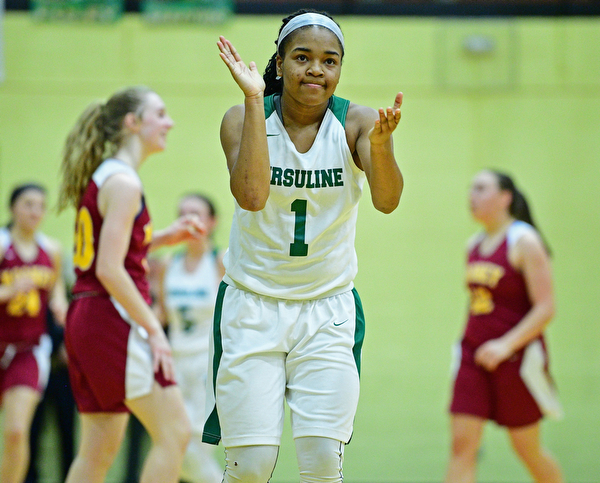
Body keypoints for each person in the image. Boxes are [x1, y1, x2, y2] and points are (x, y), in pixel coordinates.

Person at [204, 9, 403, 483]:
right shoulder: (241, 117)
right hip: (253, 305)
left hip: (326, 309)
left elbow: (388, 201)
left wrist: (381, 147)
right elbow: (251, 196)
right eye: (302, 57)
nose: (316, 69)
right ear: (279, 61)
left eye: (329, 60)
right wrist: (255, 99)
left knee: (319, 462)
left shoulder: (356, 122)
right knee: (250, 467)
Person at [58, 86, 206, 483]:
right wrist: (154, 329)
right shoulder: (125, 184)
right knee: (175, 433)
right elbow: (109, 268)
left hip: (88, 314)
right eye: (160, 113)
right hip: (112, 318)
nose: (169, 122)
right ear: (132, 123)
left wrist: (161, 237)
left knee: (98, 448)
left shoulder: (107, 175)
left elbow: (109, 255)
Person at [445, 169, 563, 483]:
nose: (472, 195)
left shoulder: (524, 240)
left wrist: (505, 345)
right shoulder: (474, 244)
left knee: (526, 448)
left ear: (505, 197)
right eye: (471, 188)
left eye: (481, 188)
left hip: (515, 359)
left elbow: (546, 307)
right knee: (462, 447)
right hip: (473, 357)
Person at [152, 193, 225, 483]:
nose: (188, 220)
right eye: (182, 213)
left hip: (209, 364)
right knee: (175, 445)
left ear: (211, 221)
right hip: (175, 361)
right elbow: (161, 315)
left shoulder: (221, 261)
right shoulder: (168, 263)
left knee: (196, 448)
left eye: (195, 213)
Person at [0, 183, 68, 483]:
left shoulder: (51, 249)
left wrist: (60, 305)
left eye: (40, 205)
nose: (35, 211)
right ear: (12, 207)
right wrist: (9, 290)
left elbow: (57, 293)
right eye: (28, 204)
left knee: (16, 433)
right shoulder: (2, 245)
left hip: (28, 350)